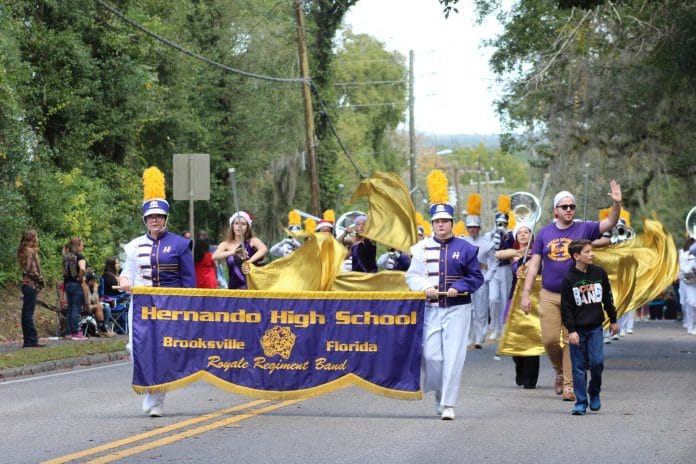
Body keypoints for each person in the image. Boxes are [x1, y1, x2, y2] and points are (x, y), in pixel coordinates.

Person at [520, 180, 622, 401]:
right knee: (548, 340)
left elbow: (610, 222)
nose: (569, 210)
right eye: (564, 206)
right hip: (549, 294)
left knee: (570, 340)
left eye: (572, 206)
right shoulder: (545, 233)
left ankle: (569, 384)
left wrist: (616, 204)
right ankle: (559, 371)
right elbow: (535, 265)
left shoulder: (584, 228)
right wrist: (526, 293)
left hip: (576, 297)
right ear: (556, 210)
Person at [406, 169, 484, 420]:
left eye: (445, 221)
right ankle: (439, 391)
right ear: (432, 224)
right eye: (437, 222)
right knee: (431, 355)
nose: (441, 225)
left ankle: (449, 403)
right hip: (431, 308)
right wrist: (424, 287)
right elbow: (412, 276)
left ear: (451, 222)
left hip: (458, 308)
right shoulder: (419, 248)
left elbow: (476, 277)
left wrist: (459, 287)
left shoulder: (467, 248)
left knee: (454, 356)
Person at [119, 166, 196, 417]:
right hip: (141, 304)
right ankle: (149, 388)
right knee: (135, 347)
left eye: (159, 216)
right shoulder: (134, 246)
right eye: (150, 217)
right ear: (144, 220)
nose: (155, 220)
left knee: (162, 350)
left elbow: (189, 281)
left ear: (166, 218)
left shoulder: (180, 244)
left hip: (169, 304)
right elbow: (127, 272)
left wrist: (186, 309)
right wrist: (124, 280)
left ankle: (156, 399)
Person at [561, 239, 618, 415]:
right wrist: (571, 331)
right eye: (587, 252)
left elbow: (607, 298)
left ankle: (594, 392)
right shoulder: (569, 279)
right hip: (577, 330)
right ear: (576, 256)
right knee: (578, 367)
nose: (591, 254)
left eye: (591, 251)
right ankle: (581, 402)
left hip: (595, 328)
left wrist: (613, 319)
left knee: (597, 362)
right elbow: (566, 308)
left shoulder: (599, 273)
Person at [495, 222, 541, 388]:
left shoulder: (539, 253)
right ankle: (519, 367)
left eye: (526, 232)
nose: (522, 235)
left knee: (532, 338)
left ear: (532, 235)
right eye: (519, 233)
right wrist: (519, 252)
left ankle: (531, 380)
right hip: (514, 298)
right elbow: (498, 254)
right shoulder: (513, 254)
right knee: (515, 336)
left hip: (535, 299)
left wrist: (532, 255)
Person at [462, 193, 496, 349]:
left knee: (481, 310)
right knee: (468, 309)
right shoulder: (461, 242)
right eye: (470, 227)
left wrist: (487, 278)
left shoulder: (487, 243)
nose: (472, 230)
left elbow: (493, 262)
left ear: (479, 228)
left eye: (475, 227)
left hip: (481, 277)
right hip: (466, 278)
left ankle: (480, 337)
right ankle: (469, 336)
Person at [212, 211, 267, 289]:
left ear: (248, 227)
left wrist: (249, 262)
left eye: (243, 224)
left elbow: (263, 249)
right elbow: (214, 256)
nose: (239, 227)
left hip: (251, 288)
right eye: (237, 223)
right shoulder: (225, 244)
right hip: (233, 289)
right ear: (232, 226)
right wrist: (233, 252)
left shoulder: (252, 241)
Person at [17, 229, 46, 348]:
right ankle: (32, 340)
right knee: (29, 313)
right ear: (32, 238)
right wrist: (40, 279)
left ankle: (28, 339)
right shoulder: (30, 251)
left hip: (25, 283)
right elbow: (31, 269)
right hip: (31, 284)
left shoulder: (22, 250)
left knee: (26, 313)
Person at [62, 237, 89, 341]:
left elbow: (64, 272)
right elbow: (82, 268)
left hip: (67, 284)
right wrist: (81, 277)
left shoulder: (66, 257)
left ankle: (68, 332)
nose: (83, 247)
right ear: (77, 246)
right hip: (77, 284)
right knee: (76, 309)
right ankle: (75, 332)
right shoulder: (80, 257)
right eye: (82, 245)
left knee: (70, 308)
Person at [84, 269, 115, 337]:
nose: (95, 282)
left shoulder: (88, 287)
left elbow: (95, 301)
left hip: (87, 306)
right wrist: (95, 290)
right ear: (90, 281)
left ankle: (104, 328)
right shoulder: (85, 287)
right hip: (84, 308)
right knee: (99, 306)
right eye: (93, 280)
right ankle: (103, 330)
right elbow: (94, 300)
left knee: (106, 307)